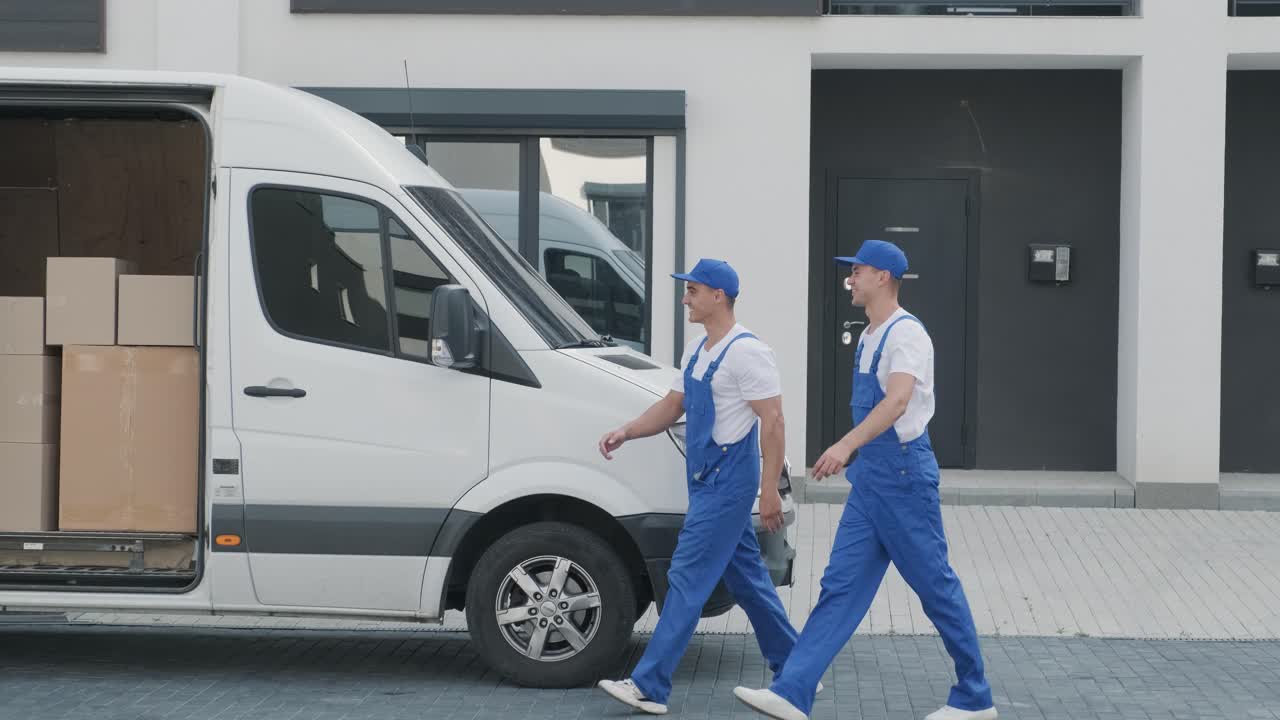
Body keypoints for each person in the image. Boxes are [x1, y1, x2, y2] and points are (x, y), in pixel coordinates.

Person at [734, 240, 996, 720]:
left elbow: (897, 401)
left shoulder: (906, 335)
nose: (850, 279)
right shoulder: (869, 335)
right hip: (872, 481)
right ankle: (792, 692)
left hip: (903, 476)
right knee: (841, 585)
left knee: (934, 585)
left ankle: (975, 697)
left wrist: (845, 445)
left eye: (857, 271)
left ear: (883, 277)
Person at [596, 258, 807, 715]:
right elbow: (673, 406)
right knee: (748, 579)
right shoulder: (697, 349)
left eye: (692, 291)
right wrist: (628, 431)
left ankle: (649, 684)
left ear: (718, 296)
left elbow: (773, 423)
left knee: (687, 576)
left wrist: (769, 489)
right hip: (703, 480)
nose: (685, 299)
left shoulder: (749, 353)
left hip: (729, 483)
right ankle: (798, 669)